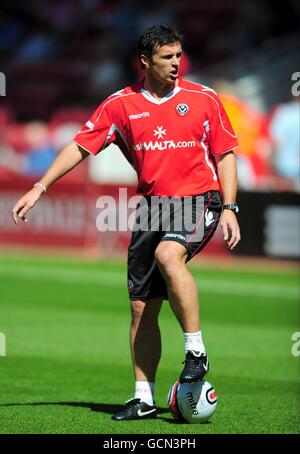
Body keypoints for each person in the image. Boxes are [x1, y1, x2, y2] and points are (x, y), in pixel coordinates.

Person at [12, 25, 241, 421]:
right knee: (140, 308)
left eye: (178, 55)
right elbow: (80, 146)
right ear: (145, 61)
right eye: (167, 57)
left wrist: (230, 207)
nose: (176, 64)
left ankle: (196, 353)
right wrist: (41, 186)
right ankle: (144, 397)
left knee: (170, 255)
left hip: (198, 200)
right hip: (152, 208)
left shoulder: (204, 99)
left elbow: (225, 154)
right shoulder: (120, 105)